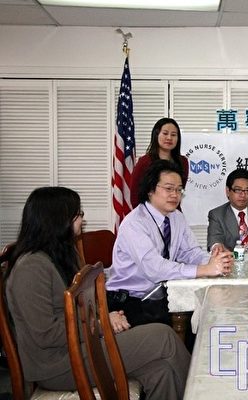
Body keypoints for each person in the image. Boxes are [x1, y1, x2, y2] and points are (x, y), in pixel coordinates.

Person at [5, 187, 190, 399]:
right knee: (164, 336)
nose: (82, 219)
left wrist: (105, 317)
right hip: (56, 364)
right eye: (78, 214)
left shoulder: (62, 253)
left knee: (162, 372)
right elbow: (46, 335)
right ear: (57, 220)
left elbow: (81, 307)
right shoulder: (31, 268)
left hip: (80, 346)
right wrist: (102, 323)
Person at [106, 159, 233, 327]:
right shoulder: (135, 223)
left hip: (160, 294)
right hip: (130, 300)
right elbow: (155, 269)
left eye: (179, 190)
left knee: (207, 315)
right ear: (150, 190)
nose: (175, 195)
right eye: (169, 189)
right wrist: (205, 269)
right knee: (188, 325)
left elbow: (189, 252)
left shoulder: (176, 217)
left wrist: (215, 260)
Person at [130, 117, 189, 209]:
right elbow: (134, 194)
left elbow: (179, 190)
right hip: (148, 212)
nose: (169, 138)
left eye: (173, 135)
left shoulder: (183, 161)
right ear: (156, 135)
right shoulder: (144, 161)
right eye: (165, 133)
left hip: (173, 211)